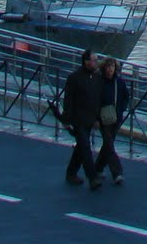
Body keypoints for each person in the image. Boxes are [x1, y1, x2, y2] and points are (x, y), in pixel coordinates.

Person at [61, 48, 103, 190]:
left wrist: (97, 118)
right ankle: (92, 177)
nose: (96, 63)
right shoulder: (74, 78)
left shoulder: (97, 78)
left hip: (90, 118)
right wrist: (66, 120)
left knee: (81, 147)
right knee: (85, 146)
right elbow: (68, 100)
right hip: (78, 119)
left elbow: (98, 99)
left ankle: (71, 173)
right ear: (86, 62)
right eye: (94, 60)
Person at [95, 56, 131, 186]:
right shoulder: (98, 81)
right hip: (103, 118)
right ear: (104, 67)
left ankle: (97, 168)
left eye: (112, 67)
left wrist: (121, 109)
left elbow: (126, 96)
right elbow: (94, 100)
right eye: (108, 66)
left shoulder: (119, 82)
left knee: (107, 144)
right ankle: (117, 173)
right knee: (109, 144)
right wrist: (96, 118)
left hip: (116, 118)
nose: (110, 69)